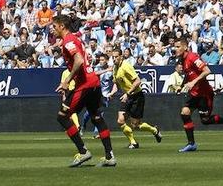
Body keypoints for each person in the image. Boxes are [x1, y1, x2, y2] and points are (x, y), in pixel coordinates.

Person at [52, 14, 116, 167]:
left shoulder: (68, 41)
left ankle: (83, 152)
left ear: (62, 26)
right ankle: (109, 156)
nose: (52, 30)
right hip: (94, 82)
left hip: (85, 84)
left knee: (62, 116)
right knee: (96, 117)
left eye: (54, 26)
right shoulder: (74, 39)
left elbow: (79, 60)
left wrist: (67, 80)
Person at [174, 38, 223, 152]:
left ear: (185, 47)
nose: (175, 49)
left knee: (205, 120)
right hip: (194, 94)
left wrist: (193, 82)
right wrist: (181, 86)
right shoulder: (182, 59)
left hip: (204, 94)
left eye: (177, 47)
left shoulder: (192, 57)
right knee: (184, 113)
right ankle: (191, 144)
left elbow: (207, 71)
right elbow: (188, 74)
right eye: (175, 47)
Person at [109, 48, 162, 149]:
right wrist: (112, 92)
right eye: (113, 57)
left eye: (116, 57)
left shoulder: (126, 66)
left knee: (135, 125)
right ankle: (133, 142)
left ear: (121, 57)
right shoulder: (115, 68)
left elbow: (138, 81)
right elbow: (116, 83)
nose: (114, 59)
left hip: (137, 96)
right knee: (120, 121)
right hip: (127, 97)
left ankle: (154, 130)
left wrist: (128, 93)